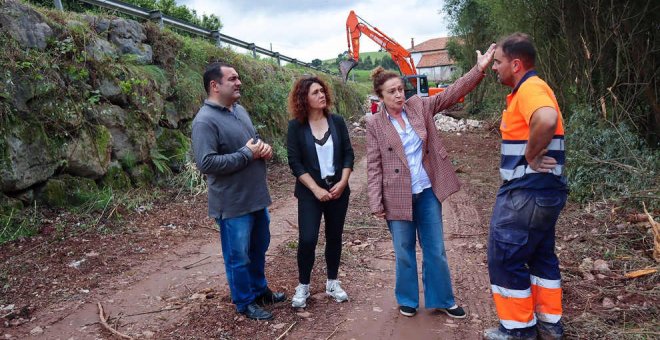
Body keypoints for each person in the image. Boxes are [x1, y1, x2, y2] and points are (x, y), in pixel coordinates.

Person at [366, 44, 496, 318]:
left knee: (435, 249)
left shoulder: (419, 106)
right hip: (396, 196)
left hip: (425, 192)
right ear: (380, 96)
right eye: (392, 92)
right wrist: (376, 201)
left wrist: (479, 69)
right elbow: (374, 165)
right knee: (403, 251)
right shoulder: (375, 124)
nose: (399, 95)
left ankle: (442, 299)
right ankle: (408, 299)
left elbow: (451, 93)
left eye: (401, 89)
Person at [484, 33, 567, 340]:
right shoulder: (534, 88)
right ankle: (549, 323)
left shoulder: (530, 88)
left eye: (498, 62)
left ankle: (518, 330)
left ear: (515, 64)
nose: (495, 68)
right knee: (542, 254)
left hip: (525, 191)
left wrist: (531, 155)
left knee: (505, 255)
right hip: (546, 191)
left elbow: (545, 119)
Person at [192, 62, 286, 321]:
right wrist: (247, 153)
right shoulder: (204, 121)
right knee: (238, 256)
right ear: (215, 86)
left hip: (256, 198)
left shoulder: (239, 110)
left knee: (258, 248)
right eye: (232, 78)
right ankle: (244, 302)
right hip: (232, 204)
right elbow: (206, 163)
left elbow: (252, 141)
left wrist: (262, 148)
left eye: (238, 77)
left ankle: (259, 290)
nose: (239, 82)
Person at [286, 76, 354, 308]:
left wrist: (343, 182)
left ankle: (332, 282)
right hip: (309, 192)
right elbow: (295, 163)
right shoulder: (296, 126)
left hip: (338, 190)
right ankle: (303, 285)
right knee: (307, 239)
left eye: (322, 91)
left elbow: (348, 154)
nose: (321, 95)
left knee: (334, 237)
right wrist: (315, 189)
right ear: (304, 98)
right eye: (315, 92)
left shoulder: (337, 121)